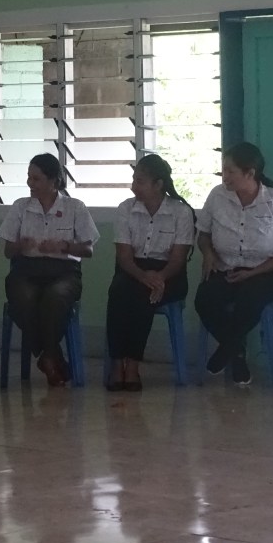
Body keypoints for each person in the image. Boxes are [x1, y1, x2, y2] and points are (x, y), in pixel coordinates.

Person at [194, 142, 273, 387]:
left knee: (249, 300)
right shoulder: (217, 196)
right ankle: (236, 351)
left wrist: (253, 273)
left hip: (266, 272)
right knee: (205, 299)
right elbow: (203, 234)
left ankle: (227, 350)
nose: (225, 176)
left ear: (250, 173)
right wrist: (208, 253)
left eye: (230, 171)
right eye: (224, 170)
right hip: (226, 268)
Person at [0, 153, 99, 387]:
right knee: (23, 298)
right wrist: (20, 245)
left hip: (64, 271)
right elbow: (7, 252)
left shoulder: (75, 207)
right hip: (26, 269)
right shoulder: (21, 207)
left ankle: (48, 356)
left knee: (55, 298)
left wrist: (64, 246)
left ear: (54, 181)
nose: (30, 183)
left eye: (36, 179)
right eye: (29, 178)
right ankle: (52, 356)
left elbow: (88, 250)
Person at [105, 154, 195, 392]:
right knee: (118, 291)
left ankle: (132, 365)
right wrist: (144, 276)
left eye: (140, 181)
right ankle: (117, 363)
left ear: (158, 184)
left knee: (143, 295)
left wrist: (159, 278)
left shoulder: (181, 212)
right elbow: (124, 257)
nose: (134, 187)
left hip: (170, 275)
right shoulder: (125, 209)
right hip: (133, 270)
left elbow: (178, 259)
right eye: (134, 180)